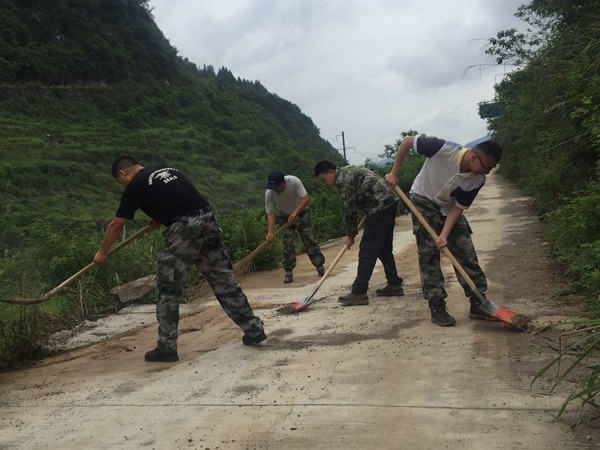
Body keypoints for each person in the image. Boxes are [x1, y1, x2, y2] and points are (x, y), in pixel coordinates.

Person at [94, 157, 267, 363]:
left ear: (122, 174)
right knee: (223, 280)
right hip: (208, 219)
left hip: (185, 228)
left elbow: (116, 225)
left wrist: (102, 253)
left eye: (120, 182)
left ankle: (166, 347)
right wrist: (161, 217)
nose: (123, 185)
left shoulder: (135, 185)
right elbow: (177, 198)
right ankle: (254, 329)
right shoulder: (165, 169)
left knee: (168, 287)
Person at [385, 135, 502, 327]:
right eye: (486, 167)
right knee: (429, 252)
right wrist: (394, 173)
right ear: (474, 157)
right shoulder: (442, 149)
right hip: (423, 199)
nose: (486, 173)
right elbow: (407, 141)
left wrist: (444, 234)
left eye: (490, 169)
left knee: (465, 249)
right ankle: (437, 305)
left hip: (448, 207)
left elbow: (458, 207)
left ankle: (478, 302)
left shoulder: (477, 180)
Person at [313, 161, 404, 305]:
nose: (325, 184)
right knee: (383, 248)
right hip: (389, 201)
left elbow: (350, 211)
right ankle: (394, 284)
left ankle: (359, 292)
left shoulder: (343, 180)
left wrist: (350, 235)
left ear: (331, 172)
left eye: (324, 180)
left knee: (367, 249)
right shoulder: (349, 170)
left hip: (379, 205)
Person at [265, 170, 326, 283]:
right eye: (272, 186)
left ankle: (320, 267)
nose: (275, 189)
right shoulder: (269, 193)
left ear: (283, 182)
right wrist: (270, 232)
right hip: (284, 216)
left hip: (301, 213)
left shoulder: (294, 181)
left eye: (277, 186)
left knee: (309, 239)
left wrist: (295, 213)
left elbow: (306, 198)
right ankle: (288, 272)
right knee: (287, 244)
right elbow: (271, 214)